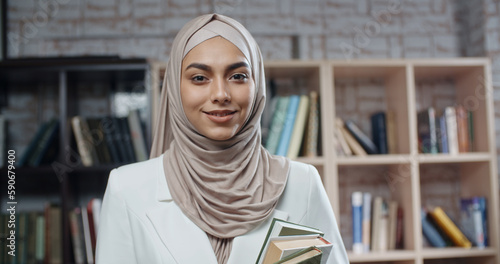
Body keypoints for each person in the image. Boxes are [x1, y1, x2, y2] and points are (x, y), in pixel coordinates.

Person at [96, 13, 348, 264]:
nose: (220, 94)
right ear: (174, 87)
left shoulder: (301, 184)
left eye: (238, 76)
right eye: (199, 78)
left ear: (257, 84)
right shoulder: (126, 189)